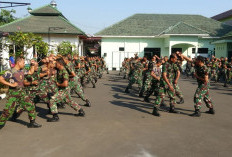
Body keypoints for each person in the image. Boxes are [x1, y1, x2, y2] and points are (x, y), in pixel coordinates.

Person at [0, 57, 41, 129]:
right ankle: (1, 123)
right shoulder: (11, 71)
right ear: (18, 62)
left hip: (22, 92)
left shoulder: (22, 71)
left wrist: (32, 65)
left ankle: (32, 123)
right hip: (13, 93)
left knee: (30, 105)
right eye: (23, 63)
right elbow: (1, 78)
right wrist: (11, 84)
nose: (24, 64)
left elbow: (31, 72)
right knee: (8, 111)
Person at [47, 58, 85, 122]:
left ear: (60, 64)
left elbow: (65, 84)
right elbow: (50, 66)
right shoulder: (59, 69)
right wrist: (50, 60)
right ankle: (81, 111)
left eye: (56, 63)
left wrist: (58, 84)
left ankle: (55, 116)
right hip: (64, 89)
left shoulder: (64, 72)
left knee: (52, 100)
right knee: (69, 101)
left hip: (64, 89)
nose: (55, 64)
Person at [177, 53, 215, 117]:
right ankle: (211, 109)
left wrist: (196, 76)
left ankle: (197, 111)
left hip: (204, 84)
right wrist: (182, 55)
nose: (195, 61)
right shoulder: (198, 64)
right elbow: (189, 60)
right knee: (206, 97)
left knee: (197, 96)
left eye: (196, 60)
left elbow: (206, 80)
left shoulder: (205, 68)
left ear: (200, 61)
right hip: (201, 83)